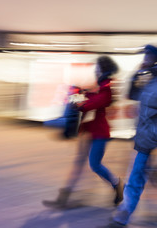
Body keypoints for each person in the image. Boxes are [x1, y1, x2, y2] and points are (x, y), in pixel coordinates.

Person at [100, 45, 157, 227]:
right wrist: (136, 74)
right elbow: (132, 94)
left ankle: (121, 218)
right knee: (145, 172)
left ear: (153, 57)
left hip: (149, 137)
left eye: (146, 56)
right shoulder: (148, 79)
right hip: (141, 135)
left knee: (135, 176)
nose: (143, 59)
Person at [43, 56, 124, 209]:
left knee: (95, 165)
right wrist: (77, 93)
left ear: (104, 69)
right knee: (78, 164)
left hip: (100, 133)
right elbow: (86, 98)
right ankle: (63, 198)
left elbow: (90, 104)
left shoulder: (107, 89)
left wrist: (77, 100)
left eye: (98, 67)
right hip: (88, 131)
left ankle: (117, 185)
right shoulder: (99, 86)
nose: (96, 70)